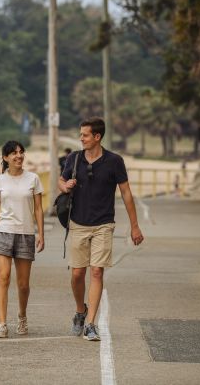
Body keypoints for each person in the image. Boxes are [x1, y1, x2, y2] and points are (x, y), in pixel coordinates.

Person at [58, 117, 144, 341]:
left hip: (104, 225)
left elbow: (126, 193)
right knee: (77, 274)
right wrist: (65, 186)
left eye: (85, 135)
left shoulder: (115, 161)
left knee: (96, 271)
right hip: (77, 223)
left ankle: (91, 324)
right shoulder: (74, 158)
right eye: (81, 134)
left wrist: (134, 226)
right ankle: (80, 310)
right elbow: (61, 180)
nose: (81, 138)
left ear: (97, 137)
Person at [0, 140, 45, 338]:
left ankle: (22, 316)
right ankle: (2, 324)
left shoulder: (33, 179)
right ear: (5, 158)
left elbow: (38, 209)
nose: (18, 156)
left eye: (21, 152)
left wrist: (40, 234)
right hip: (3, 232)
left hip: (25, 234)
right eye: (14, 153)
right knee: (3, 277)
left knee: (23, 284)